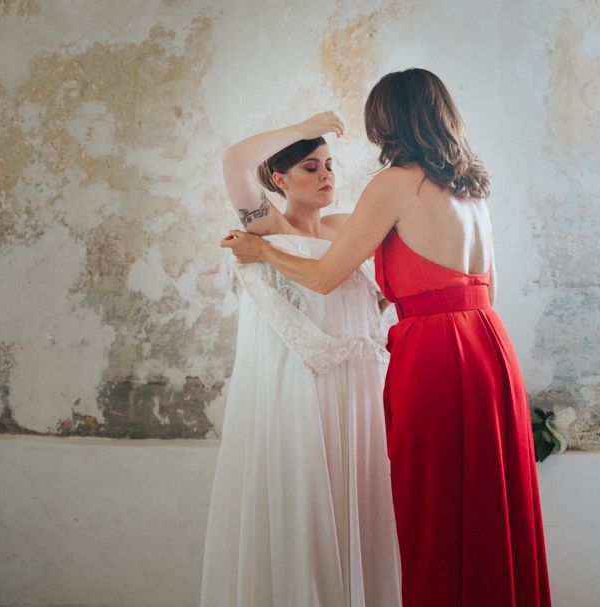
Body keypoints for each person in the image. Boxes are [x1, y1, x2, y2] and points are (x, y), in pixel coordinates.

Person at [221, 68, 552, 607]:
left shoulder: (395, 184)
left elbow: (327, 275)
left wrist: (261, 253)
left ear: (388, 120)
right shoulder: (471, 190)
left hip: (437, 353)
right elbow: (482, 287)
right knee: (492, 502)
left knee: (432, 511)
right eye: (313, 165)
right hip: (489, 344)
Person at [201, 114, 402, 607]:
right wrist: (306, 126)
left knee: (356, 503)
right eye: (310, 168)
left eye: (329, 165)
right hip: (299, 389)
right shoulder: (269, 228)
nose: (326, 176)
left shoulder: (349, 229)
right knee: (306, 506)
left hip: (357, 387)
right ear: (279, 180)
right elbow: (234, 162)